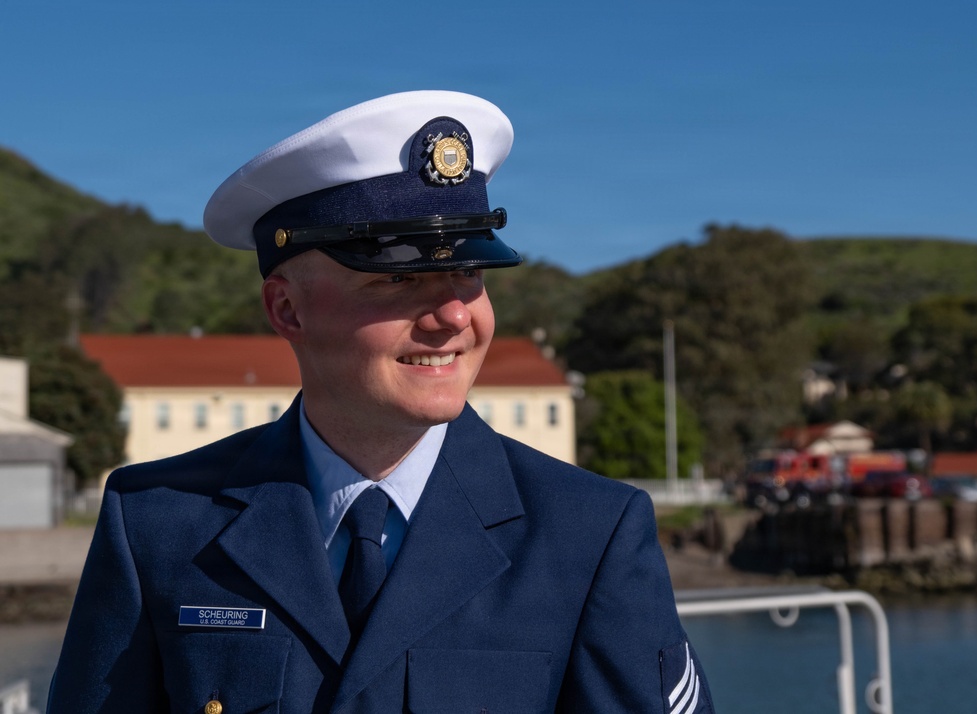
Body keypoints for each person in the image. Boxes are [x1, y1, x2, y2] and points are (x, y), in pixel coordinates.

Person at [49, 90, 713, 713]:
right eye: (399, 278)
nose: (454, 315)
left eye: (468, 272)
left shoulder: (588, 535)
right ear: (287, 309)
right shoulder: (158, 523)